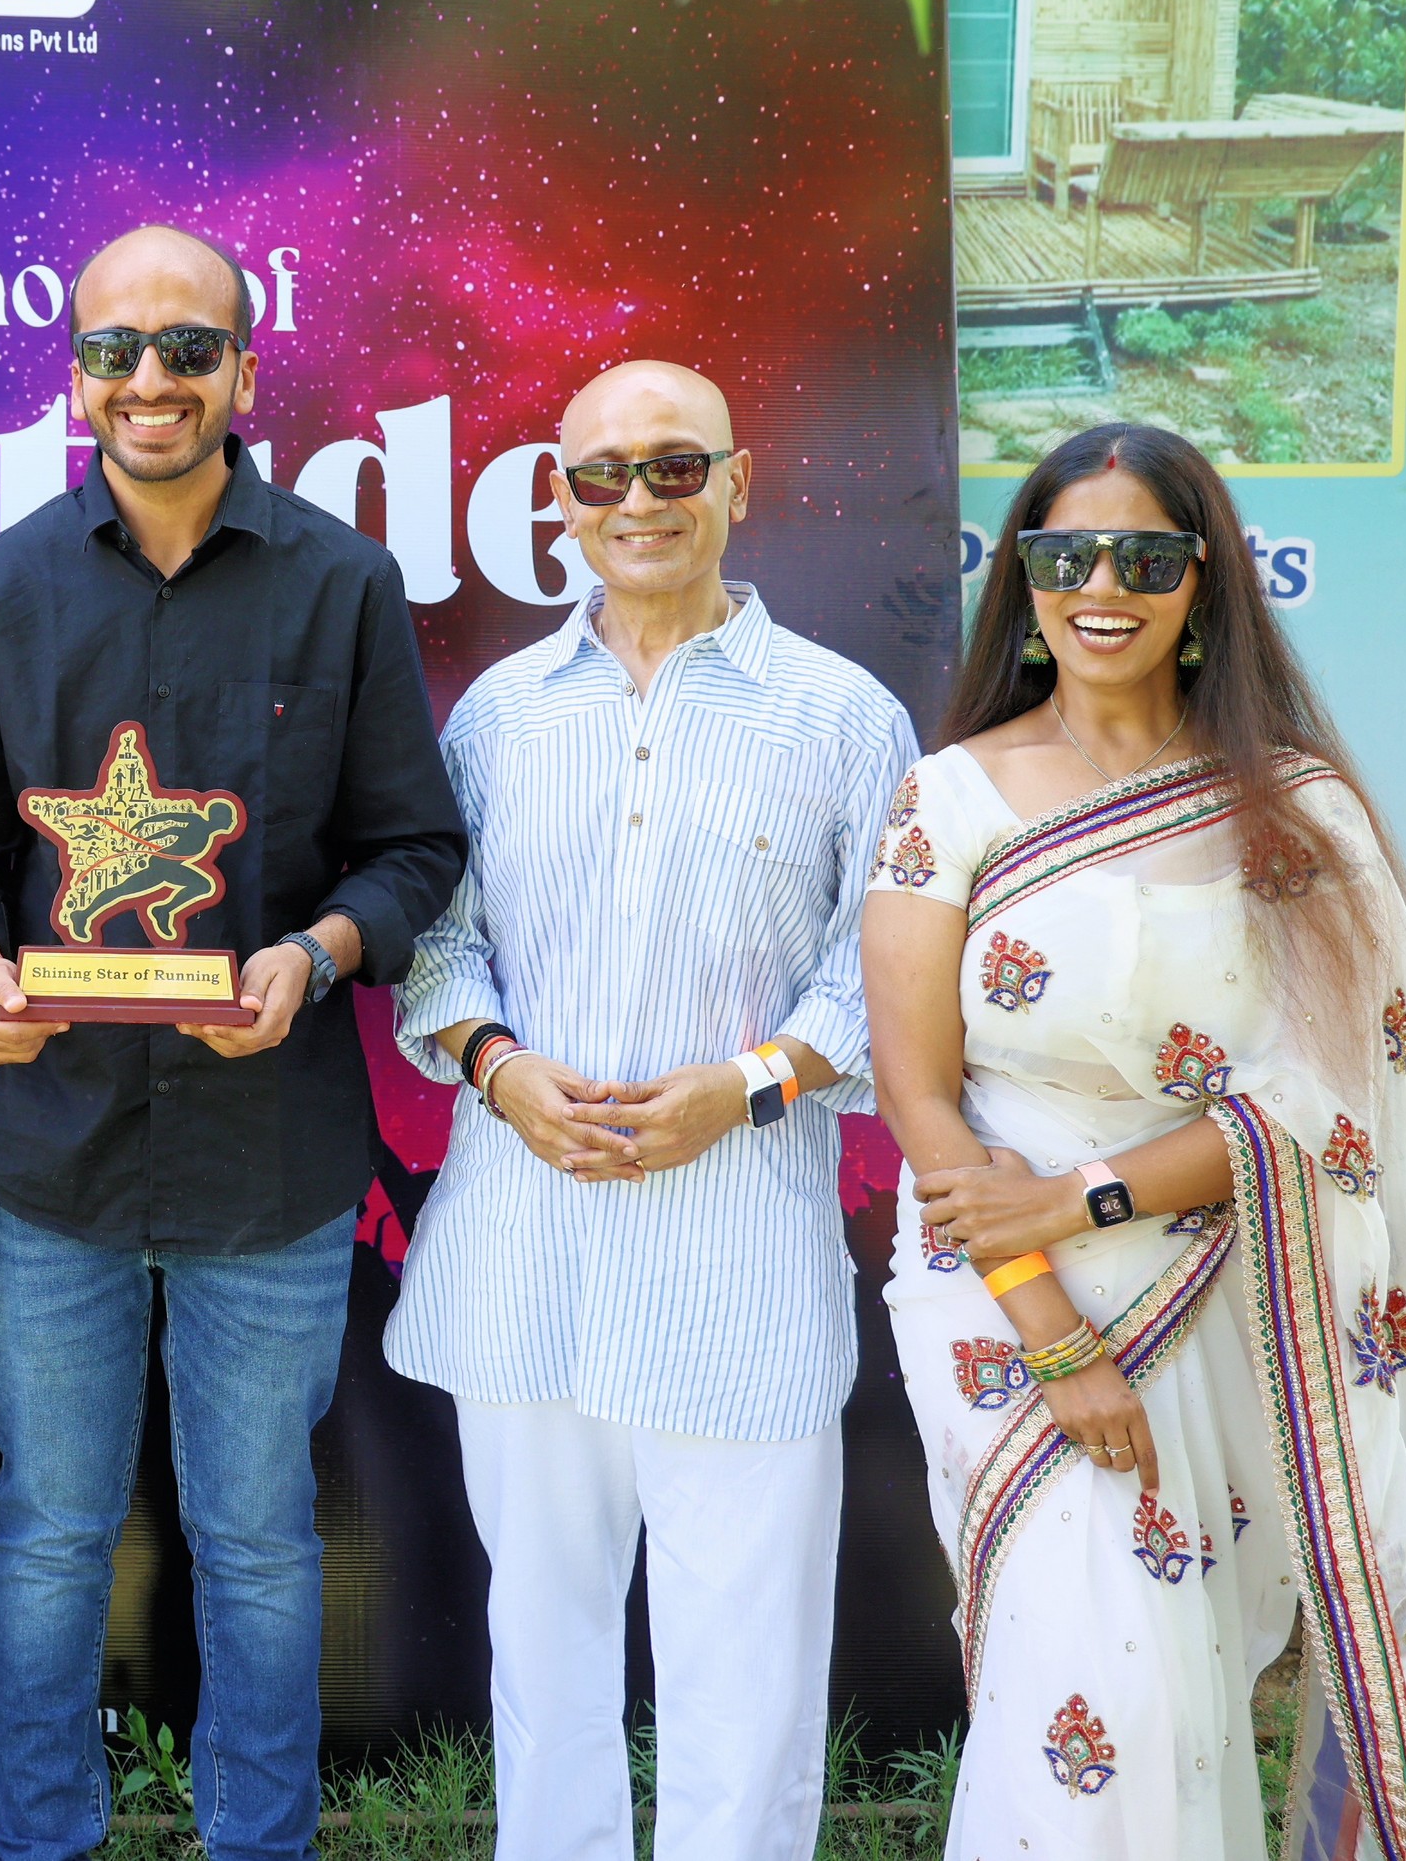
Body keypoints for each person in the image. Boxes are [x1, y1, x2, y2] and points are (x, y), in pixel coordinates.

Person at [863, 422, 1406, 1859]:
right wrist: (1051, 1331)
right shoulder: (946, 795)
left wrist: (1081, 1198)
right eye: (1068, 554)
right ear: (1023, 575)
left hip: (1237, 1288)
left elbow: (1329, 1103)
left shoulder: (1293, 804)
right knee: (1096, 1690)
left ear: (1205, 581)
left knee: (1189, 1675)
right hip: (1001, 1299)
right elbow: (919, 1089)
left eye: (1145, 559)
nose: (1103, 588)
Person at [0, 223, 467, 1861]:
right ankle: (40, 1840)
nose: (149, 378)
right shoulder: (10, 582)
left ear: (244, 365)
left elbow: (414, 850)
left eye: (187, 347)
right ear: (75, 372)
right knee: (48, 1531)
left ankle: (257, 1842)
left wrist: (316, 952)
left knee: (260, 1543)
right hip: (52, 1158)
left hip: (270, 1157)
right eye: (115, 349)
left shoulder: (342, 583)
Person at [388, 361, 918, 1861]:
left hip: (737, 1262)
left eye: (674, 466)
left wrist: (746, 1088)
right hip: (525, 1255)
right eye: (601, 474)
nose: (637, 499)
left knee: (746, 1675)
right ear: (559, 503)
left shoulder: (843, 717)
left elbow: (884, 970)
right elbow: (439, 939)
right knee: (542, 1653)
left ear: (737, 482)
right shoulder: (499, 716)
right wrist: (500, 1067)